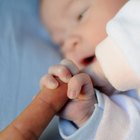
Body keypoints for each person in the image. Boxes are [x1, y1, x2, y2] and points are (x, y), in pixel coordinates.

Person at [40, 0, 140, 139]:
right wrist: (89, 115)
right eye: (60, 43)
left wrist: (102, 70)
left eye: (80, 15)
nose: (70, 42)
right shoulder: (122, 100)